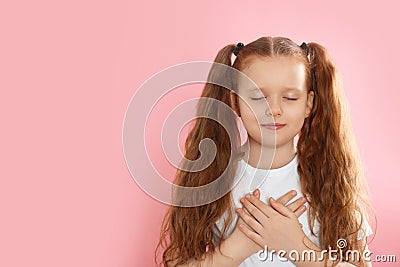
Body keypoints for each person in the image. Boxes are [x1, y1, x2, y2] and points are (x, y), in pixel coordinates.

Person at [155, 36, 375, 267]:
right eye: (258, 98)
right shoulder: (210, 178)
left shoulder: (331, 179)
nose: (274, 110)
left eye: (290, 97)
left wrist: (295, 247)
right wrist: (239, 246)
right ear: (235, 101)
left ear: (309, 103)